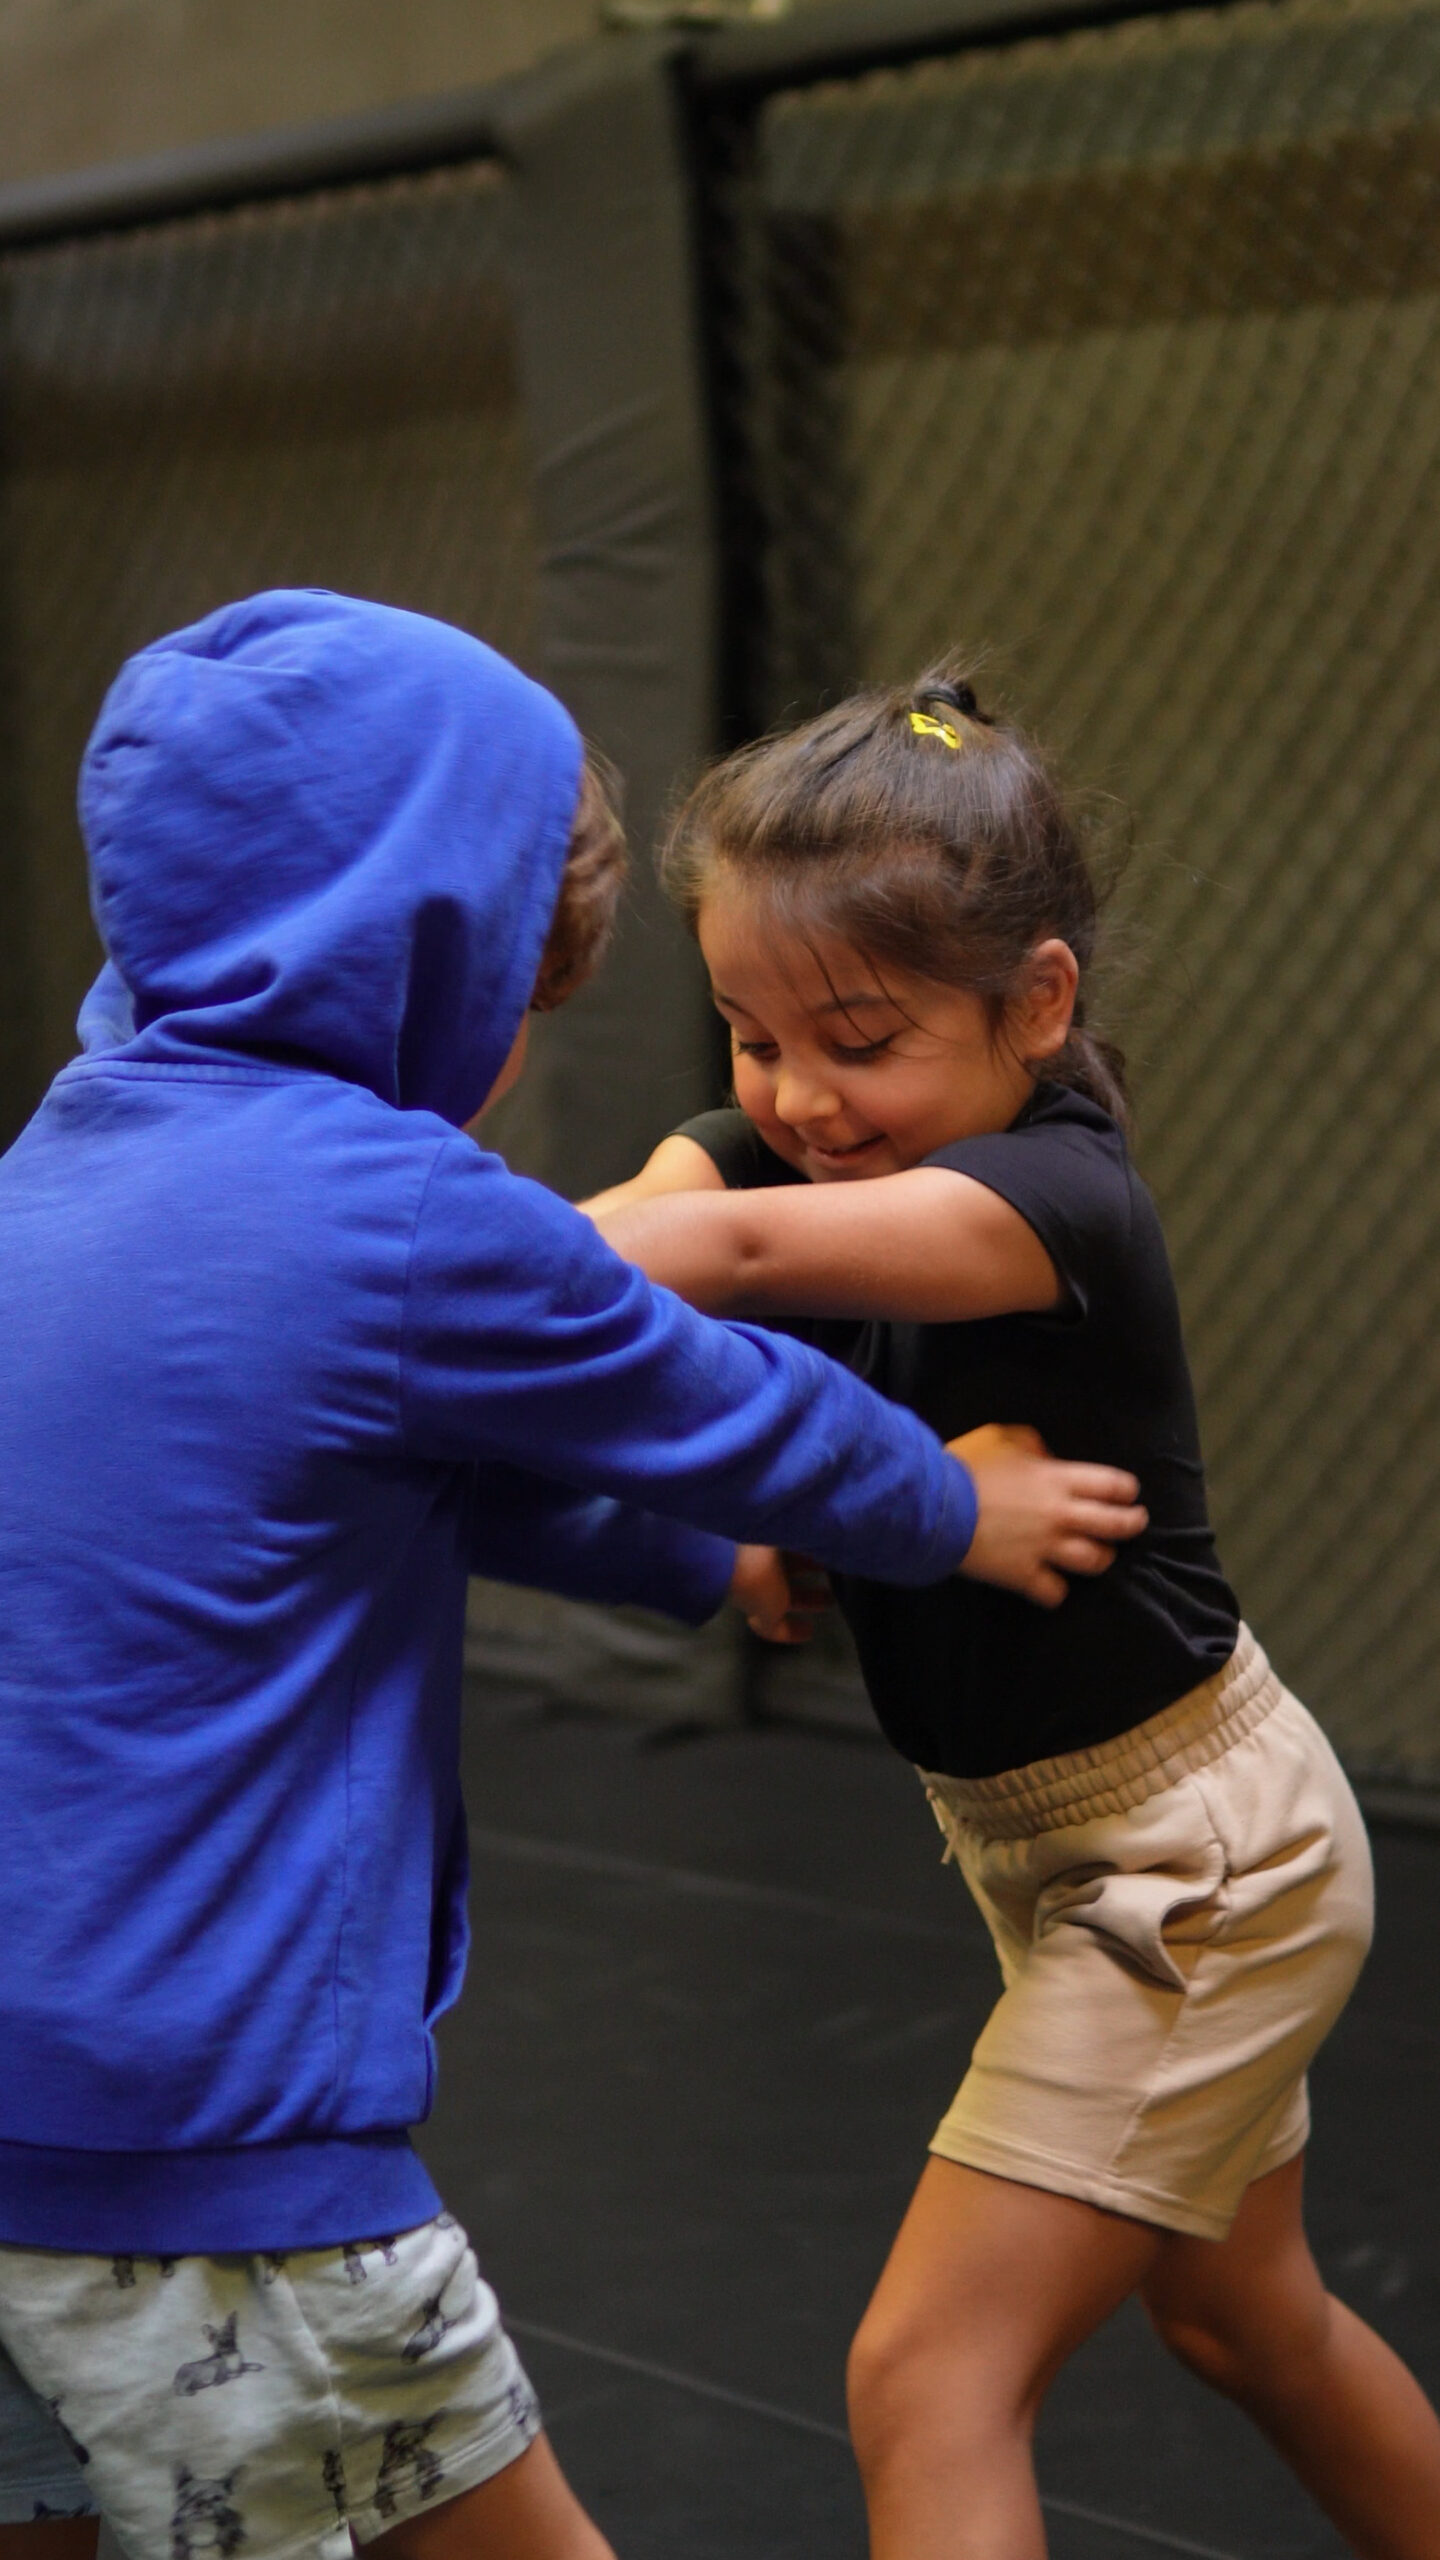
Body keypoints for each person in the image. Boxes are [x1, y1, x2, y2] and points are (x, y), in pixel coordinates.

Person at [0, 595, 1148, 2560]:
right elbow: (719, 1399)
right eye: (515, 1006)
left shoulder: (48, 1180)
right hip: (215, 2155)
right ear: (427, 966)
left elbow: (421, 1485)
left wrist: (702, 1555)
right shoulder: (391, 1205)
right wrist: (954, 1508)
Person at [582, 667, 1440, 2560]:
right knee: (1247, 2317)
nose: (798, 1096)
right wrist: (780, 1481)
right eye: (749, 1034)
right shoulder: (817, 1133)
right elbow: (680, 1187)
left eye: (857, 1040)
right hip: (1063, 1842)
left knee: (929, 2377)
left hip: (1195, 1862)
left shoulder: (1048, 1200)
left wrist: (382, 1273)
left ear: (1036, 1005)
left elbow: (715, 1251)